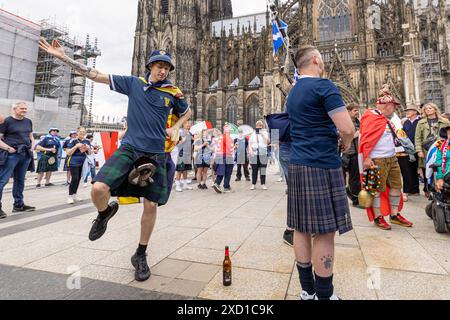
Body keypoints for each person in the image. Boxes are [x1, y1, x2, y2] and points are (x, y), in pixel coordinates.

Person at [39, 39, 192, 282]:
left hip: (156, 153)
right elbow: (95, 74)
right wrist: (62, 58)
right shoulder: (133, 83)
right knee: (99, 188)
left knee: (150, 205)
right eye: (159, 65)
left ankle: (140, 254)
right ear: (150, 66)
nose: (163, 70)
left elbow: (187, 112)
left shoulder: (174, 92)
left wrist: (177, 129)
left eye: (166, 67)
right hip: (130, 148)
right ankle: (105, 213)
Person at [286, 46, 355, 300]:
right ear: (316, 60)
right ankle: (324, 295)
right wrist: (345, 143)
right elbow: (347, 128)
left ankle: (307, 290)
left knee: (300, 228)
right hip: (322, 164)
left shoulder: (292, 93)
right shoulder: (324, 86)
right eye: (322, 59)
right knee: (325, 232)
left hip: (298, 164)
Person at [359, 85, 414, 231]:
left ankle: (395, 215)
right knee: (376, 189)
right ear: (387, 105)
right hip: (377, 159)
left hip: (392, 158)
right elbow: (365, 139)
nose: (394, 109)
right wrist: (366, 157)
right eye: (393, 107)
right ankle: (378, 217)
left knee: (396, 186)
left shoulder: (386, 119)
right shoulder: (370, 116)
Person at [0, 102, 36, 218]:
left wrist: (32, 145)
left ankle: (18, 204)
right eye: (22, 108)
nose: (24, 110)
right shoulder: (6, 121)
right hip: (11, 154)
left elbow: (30, 135)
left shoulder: (28, 121)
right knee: (2, 180)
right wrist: (7, 148)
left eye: (25, 108)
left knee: (20, 180)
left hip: (24, 154)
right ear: (14, 109)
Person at [266, 112, 294, 246]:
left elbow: (275, 139)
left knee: (296, 191)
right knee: (296, 192)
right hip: (291, 150)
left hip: (288, 150)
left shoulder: (279, 119)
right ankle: (290, 230)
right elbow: (274, 140)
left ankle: (295, 228)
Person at [415, 103, 450, 198]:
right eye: (426, 109)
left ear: (435, 109)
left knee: (442, 166)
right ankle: (429, 189)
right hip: (427, 150)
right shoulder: (421, 122)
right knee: (428, 168)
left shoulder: (445, 121)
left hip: (442, 148)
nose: (428, 110)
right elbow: (417, 138)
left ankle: (442, 187)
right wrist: (419, 150)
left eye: (430, 108)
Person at [399, 105, 421, 201]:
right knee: (409, 169)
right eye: (406, 111)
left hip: (419, 148)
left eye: (409, 111)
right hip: (409, 149)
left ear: (415, 112)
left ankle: (418, 189)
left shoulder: (420, 121)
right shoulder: (406, 122)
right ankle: (411, 189)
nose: (406, 112)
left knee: (420, 168)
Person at [341, 104, 361, 207]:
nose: (357, 112)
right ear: (348, 112)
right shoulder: (343, 122)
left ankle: (354, 196)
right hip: (348, 153)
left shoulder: (358, 122)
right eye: (354, 111)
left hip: (357, 152)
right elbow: (341, 137)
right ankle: (355, 200)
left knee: (355, 177)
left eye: (357, 111)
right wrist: (354, 136)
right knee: (352, 178)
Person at [65, 127, 91, 204]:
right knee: (74, 178)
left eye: (83, 131)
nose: (82, 133)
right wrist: (76, 146)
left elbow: (89, 153)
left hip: (83, 162)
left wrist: (88, 148)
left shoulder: (87, 141)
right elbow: (68, 153)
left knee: (79, 179)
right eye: (80, 131)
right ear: (77, 132)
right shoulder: (73, 141)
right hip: (74, 162)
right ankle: (70, 197)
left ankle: (74, 195)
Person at [212, 125, 235, 194]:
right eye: (230, 130)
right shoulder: (228, 137)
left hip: (219, 155)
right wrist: (235, 147)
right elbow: (230, 149)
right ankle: (226, 187)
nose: (231, 131)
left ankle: (217, 183)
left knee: (220, 170)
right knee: (228, 172)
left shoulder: (221, 137)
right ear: (228, 131)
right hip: (226, 156)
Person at [248, 120, 270, 190]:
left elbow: (267, 142)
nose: (259, 126)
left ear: (262, 126)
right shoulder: (253, 134)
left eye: (260, 125)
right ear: (256, 126)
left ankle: (263, 184)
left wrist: (262, 135)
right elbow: (250, 143)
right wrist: (250, 150)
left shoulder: (265, 133)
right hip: (254, 153)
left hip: (263, 153)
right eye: (257, 125)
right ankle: (253, 184)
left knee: (263, 169)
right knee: (254, 170)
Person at [175, 121, 193, 192]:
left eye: (189, 123)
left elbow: (191, 145)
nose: (188, 125)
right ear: (183, 124)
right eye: (187, 123)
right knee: (179, 170)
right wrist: (181, 141)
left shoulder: (190, 133)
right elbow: (176, 142)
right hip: (181, 153)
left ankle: (185, 185)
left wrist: (191, 154)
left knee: (185, 170)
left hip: (188, 154)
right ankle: (177, 185)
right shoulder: (180, 131)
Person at [435, 126, 450, 191]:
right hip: (447, 172)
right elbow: (438, 161)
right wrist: (440, 177)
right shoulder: (441, 145)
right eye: (449, 133)